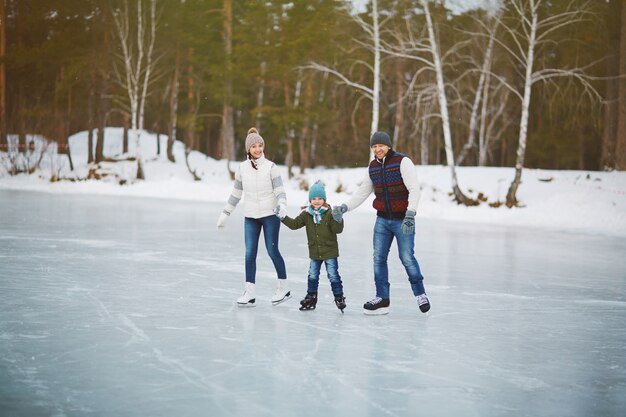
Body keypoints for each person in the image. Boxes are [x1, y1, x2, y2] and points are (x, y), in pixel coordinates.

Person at [332, 131, 430, 315]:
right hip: (383, 220)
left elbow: (414, 189)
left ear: (388, 146)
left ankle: (420, 294)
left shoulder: (402, 162)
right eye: (374, 146)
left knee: (407, 258)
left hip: (403, 220)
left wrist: (410, 214)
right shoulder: (373, 167)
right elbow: (362, 192)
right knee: (378, 258)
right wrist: (344, 207)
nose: (378, 149)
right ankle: (382, 298)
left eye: (381, 146)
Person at [216, 127, 291, 307]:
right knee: (250, 254)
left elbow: (280, 191)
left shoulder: (271, 167)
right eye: (254, 146)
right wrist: (225, 213)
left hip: (270, 215)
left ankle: (284, 288)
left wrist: (282, 205)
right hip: (250, 217)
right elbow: (236, 194)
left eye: (260, 145)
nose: (258, 149)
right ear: (248, 149)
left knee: (272, 250)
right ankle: (249, 292)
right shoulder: (241, 169)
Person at [277, 180, 346, 312]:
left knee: (333, 275)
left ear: (324, 199)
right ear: (310, 200)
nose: (317, 201)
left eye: (320, 198)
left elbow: (338, 230)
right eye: (314, 198)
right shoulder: (307, 214)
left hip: (330, 251)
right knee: (312, 275)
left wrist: (338, 218)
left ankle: (339, 297)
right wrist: (283, 217)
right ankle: (311, 297)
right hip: (315, 252)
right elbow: (294, 225)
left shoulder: (330, 213)